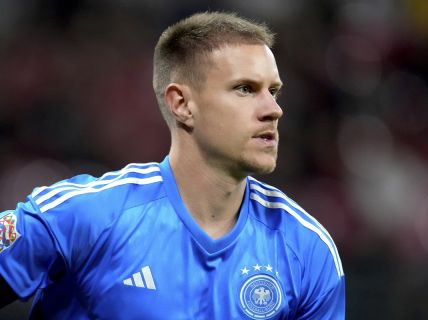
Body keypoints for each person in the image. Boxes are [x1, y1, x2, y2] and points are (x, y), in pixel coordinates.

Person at [0, 11, 345, 319]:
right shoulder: (84, 216)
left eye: (274, 91)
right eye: (245, 89)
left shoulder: (307, 249)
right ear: (181, 104)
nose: (273, 109)